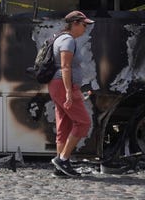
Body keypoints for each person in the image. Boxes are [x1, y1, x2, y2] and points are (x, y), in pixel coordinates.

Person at [49, 10, 94, 177]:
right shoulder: (68, 41)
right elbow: (65, 67)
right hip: (63, 85)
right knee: (83, 122)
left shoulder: (60, 38)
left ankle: (59, 167)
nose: (85, 29)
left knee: (65, 125)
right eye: (84, 25)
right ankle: (63, 160)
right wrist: (69, 92)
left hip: (57, 85)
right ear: (74, 24)